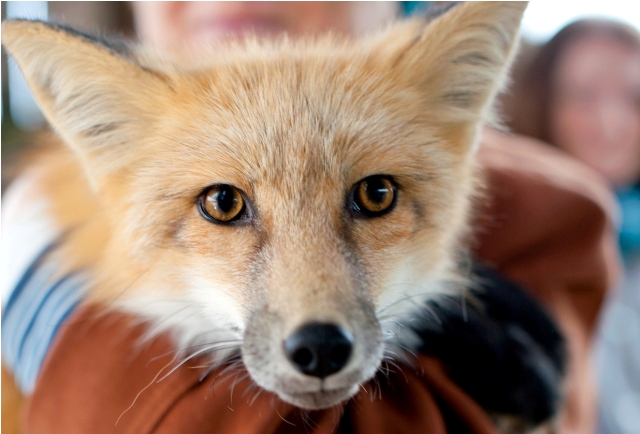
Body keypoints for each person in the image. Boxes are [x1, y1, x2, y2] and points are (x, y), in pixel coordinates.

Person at [1, 3, 621, 434]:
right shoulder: (110, 159)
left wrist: (34, 295)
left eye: (374, 196)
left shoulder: (548, 211)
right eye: (225, 206)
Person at [502, 18, 640, 434]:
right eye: (582, 96)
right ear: (542, 103)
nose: (609, 122)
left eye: (635, 99)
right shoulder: (504, 243)